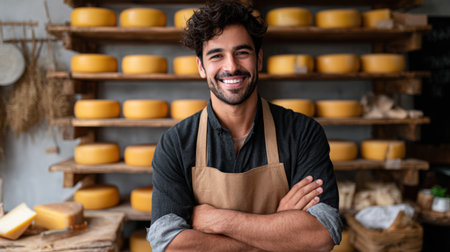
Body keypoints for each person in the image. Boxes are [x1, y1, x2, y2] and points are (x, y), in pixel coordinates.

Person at [148, 1, 342, 251]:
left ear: (258, 59)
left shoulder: (303, 133)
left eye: (242, 52)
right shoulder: (176, 143)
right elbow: (169, 243)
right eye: (216, 55)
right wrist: (277, 230)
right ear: (201, 67)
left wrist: (218, 220)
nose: (231, 66)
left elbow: (321, 234)